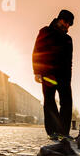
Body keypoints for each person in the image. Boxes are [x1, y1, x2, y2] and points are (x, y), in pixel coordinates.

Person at [32, 9, 75, 141]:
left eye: (70, 24)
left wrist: (69, 78)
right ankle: (53, 131)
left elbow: (69, 61)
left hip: (64, 76)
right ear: (59, 19)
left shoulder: (68, 39)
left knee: (67, 102)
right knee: (50, 101)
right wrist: (37, 71)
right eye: (66, 21)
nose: (67, 25)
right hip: (48, 73)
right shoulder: (45, 31)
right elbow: (37, 51)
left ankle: (63, 132)